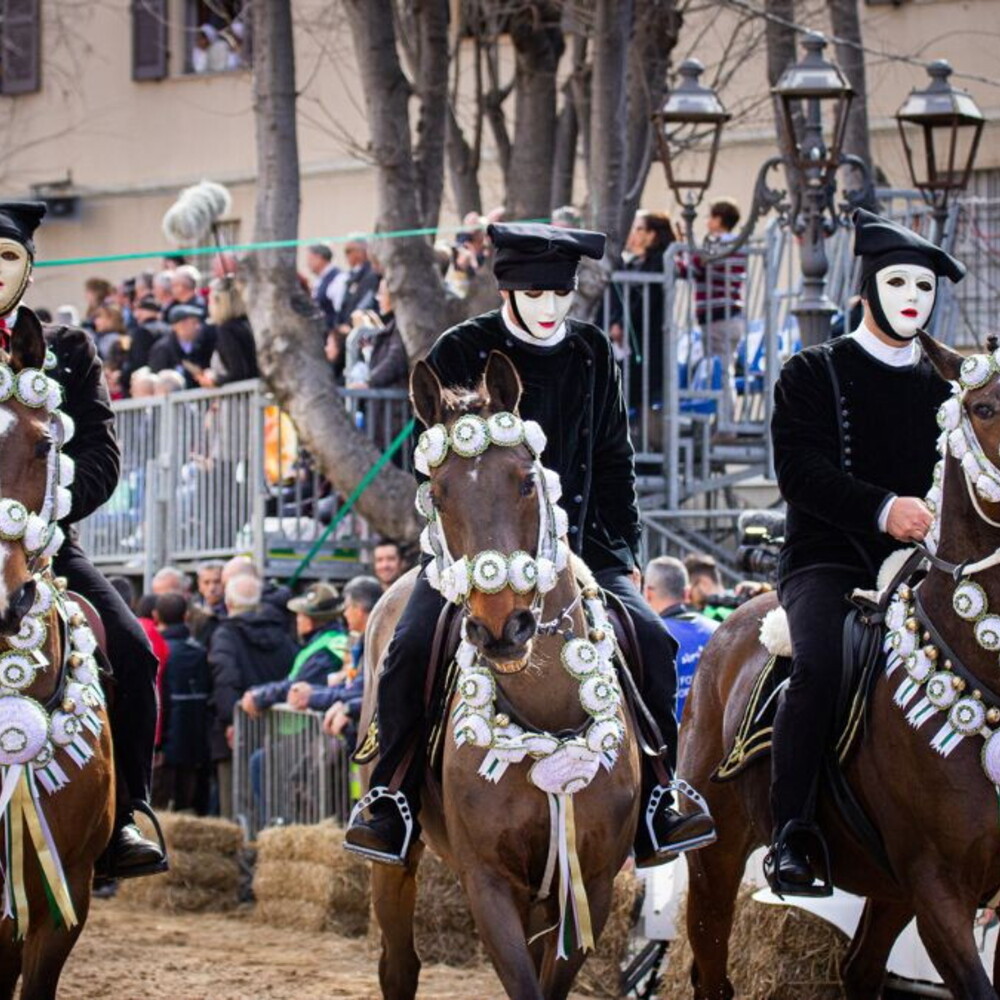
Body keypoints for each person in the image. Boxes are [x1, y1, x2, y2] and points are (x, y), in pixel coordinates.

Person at [345, 221, 716, 867]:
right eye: (536, 294)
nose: (550, 309)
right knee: (407, 647)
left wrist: (619, 551)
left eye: (561, 295)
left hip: (584, 546)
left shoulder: (594, 350)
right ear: (507, 289)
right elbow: (430, 459)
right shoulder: (464, 345)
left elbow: (613, 455)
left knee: (652, 640)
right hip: (476, 553)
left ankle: (661, 793)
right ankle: (392, 797)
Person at [764, 208, 966, 895]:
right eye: (901, 283)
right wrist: (886, 509)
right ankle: (791, 832)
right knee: (818, 666)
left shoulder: (949, 390)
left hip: (927, 568)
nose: (914, 298)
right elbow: (800, 475)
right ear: (868, 288)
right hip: (827, 562)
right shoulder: (810, 371)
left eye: (927, 287)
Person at [0, 202, 166, 879]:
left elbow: (101, 451)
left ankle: (123, 814)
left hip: (44, 544)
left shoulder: (70, 349)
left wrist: (50, 513)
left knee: (132, 650)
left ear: (30, 269)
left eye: (7, 257)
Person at [208, 573, 299, 817]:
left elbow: (225, 679)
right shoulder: (283, 633)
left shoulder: (225, 634)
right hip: (278, 728)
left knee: (238, 802)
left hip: (240, 729)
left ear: (228, 603)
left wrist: (230, 719)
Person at [239, 582, 349, 716]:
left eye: (300, 615)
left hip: (310, 731)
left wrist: (260, 696)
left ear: (310, 621)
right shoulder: (326, 641)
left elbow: (298, 686)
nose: (297, 620)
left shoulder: (326, 649)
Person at [610, 210, 678, 405]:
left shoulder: (659, 262)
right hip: (633, 338)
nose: (634, 233)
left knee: (637, 390)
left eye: (639, 229)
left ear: (652, 234)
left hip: (648, 338)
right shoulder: (635, 263)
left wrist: (622, 324)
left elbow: (642, 301)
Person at [153, 593, 212, 814]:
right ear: (186, 616)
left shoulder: (158, 652)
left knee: (161, 804)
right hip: (195, 739)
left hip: (166, 740)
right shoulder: (199, 652)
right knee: (187, 802)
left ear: (156, 616)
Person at [643, 557, 718, 721]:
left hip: (672, 741)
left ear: (648, 593)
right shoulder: (719, 630)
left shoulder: (649, 638)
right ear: (687, 593)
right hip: (719, 739)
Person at [306, 243, 344, 335]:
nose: (308, 264)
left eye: (310, 259)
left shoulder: (338, 279)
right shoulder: (319, 280)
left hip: (332, 334)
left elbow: (339, 309)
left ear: (319, 258)